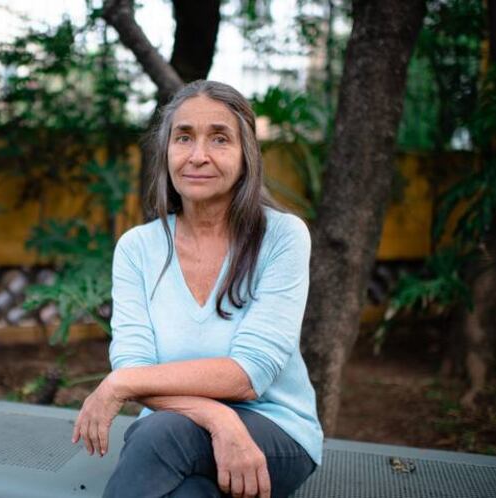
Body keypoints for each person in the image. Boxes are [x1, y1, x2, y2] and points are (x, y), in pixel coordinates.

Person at [71, 80, 323, 498]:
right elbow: (133, 365)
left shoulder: (282, 236)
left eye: (219, 139)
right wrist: (219, 419)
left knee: (160, 434)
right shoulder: (138, 248)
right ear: (166, 151)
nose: (198, 155)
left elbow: (249, 374)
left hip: (275, 434)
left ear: (246, 156)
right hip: (177, 432)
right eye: (184, 137)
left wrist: (120, 384)